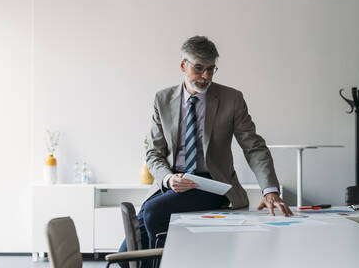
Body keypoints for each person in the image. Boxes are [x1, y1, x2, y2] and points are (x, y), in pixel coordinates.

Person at [118, 36, 291, 266]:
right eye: (199, 68)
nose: (206, 76)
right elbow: (154, 153)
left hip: (212, 183)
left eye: (211, 69)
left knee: (152, 212)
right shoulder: (162, 99)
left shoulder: (232, 99)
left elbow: (254, 146)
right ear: (183, 65)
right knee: (124, 255)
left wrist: (269, 189)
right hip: (174, 184)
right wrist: (169, 179)